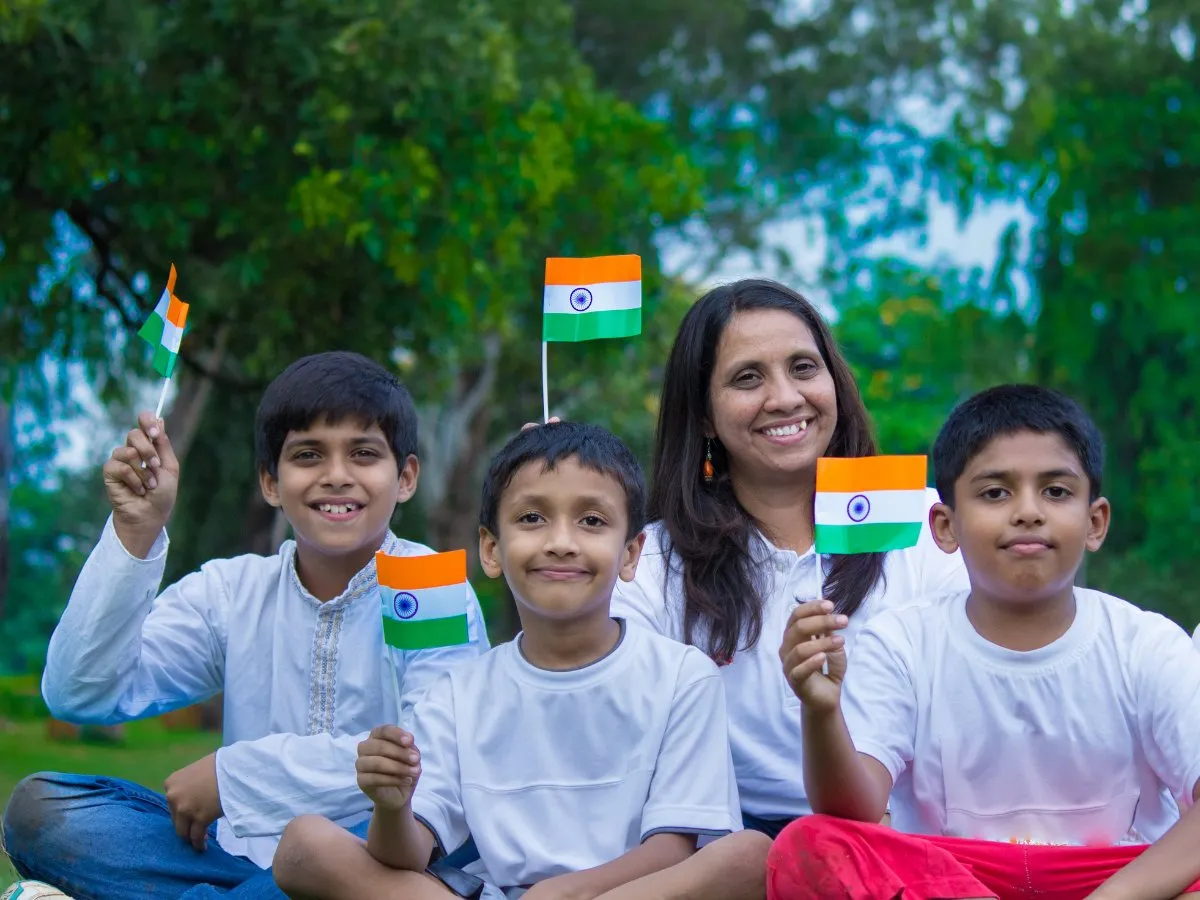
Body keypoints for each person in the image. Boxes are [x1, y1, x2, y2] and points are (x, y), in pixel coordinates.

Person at [2, 352, 489, 900]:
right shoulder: (232, 591)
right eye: (308, 455)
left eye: (363, 454)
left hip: (375, 859)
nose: (335, 476)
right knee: (42, 811)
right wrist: (134, 533)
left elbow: (428, 759)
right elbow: (80, 693)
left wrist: (236, 776)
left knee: (336, 861)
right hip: (236, 855)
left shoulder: (426, 585)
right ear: (271, 482)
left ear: (405, 477)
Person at [596, 278, 969, 899]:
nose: (785, 397)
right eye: (747, 379)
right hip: (726, 866)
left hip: (909, 852)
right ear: (704, 415)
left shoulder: (926, 527)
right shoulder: (650, 564)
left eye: (804, 368)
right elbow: (611, 737)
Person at [272, 421, 742, 900]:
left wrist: (563, 894)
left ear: (631, 553)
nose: (561, 541)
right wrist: (393, 806)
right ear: (492, 550)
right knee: (304, 845)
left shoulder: (683, 675)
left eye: (592, 521)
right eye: (532, 519)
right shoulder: (459, 694)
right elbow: (408, 855)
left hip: (624, 893)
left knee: (748, 855)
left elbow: (674, 850)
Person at [770, 384, 1200, 900]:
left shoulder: (1146, 644)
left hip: (1116, 877)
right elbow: (855, 814)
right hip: (954, 880)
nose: (1028, 512)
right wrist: (821, 713)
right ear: (945, 527)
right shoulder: (904, 641)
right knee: (811, 844)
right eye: (995, 492)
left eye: (1056, 492)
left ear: (1095, 522)